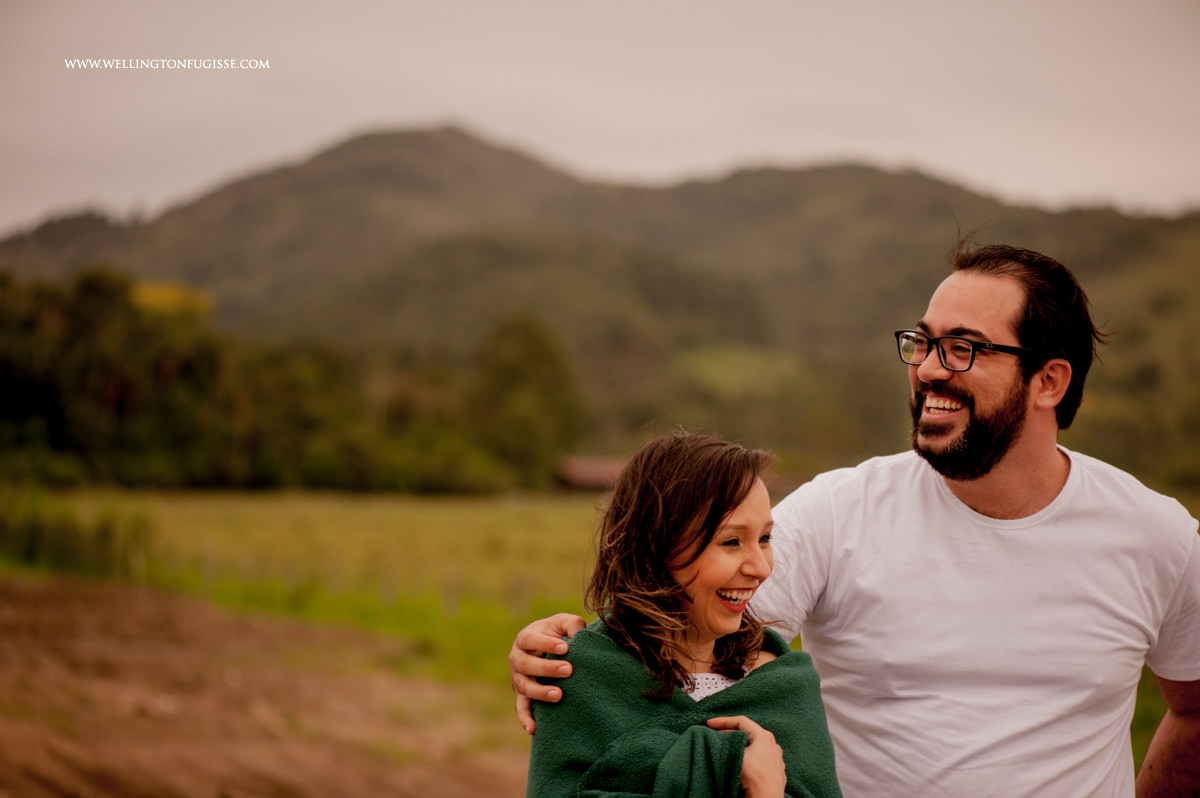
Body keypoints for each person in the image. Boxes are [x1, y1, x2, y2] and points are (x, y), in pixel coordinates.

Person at [511, 242, 1200, 797]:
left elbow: (1194, 706)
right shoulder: (836, 513)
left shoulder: (1157, 536)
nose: (929, 369)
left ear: (1049, 380)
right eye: (922, 343)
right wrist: (565, 648)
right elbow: (681, 636)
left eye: (963, 347)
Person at [524, 431, 843, 798]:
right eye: (731, 541)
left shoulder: (785, 686)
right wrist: (729, 770)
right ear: (656, 546)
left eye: (766, 539)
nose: (760, 567)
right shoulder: (579, 676)